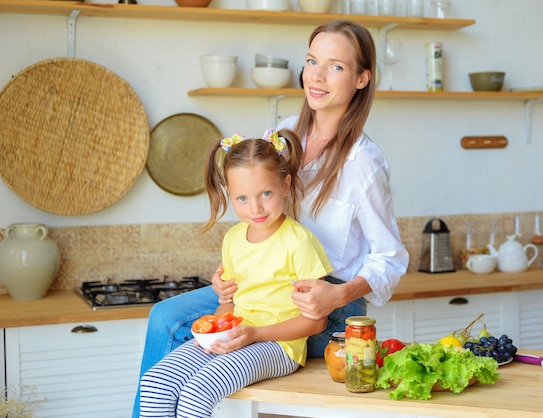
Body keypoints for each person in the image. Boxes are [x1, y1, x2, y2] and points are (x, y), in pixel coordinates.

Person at [132, 19, 408, 417]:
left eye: (336, 66)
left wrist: (337, 294)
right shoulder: (285, 133)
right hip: (263, 286)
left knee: (184, 347)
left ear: (362, 79)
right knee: (164, 316)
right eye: (312, 61)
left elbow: (391, 258)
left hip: (320, 306)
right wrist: (229, 275)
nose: (316, 76)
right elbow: (259, 216)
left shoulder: (363, 162)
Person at [139, 129, 333, 417]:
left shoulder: (299, 242)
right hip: (238, 335)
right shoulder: (232, 238)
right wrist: (216, 328)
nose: (255, 208)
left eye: (265, 194)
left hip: (278, 347)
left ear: (286, 184)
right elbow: (228, 304)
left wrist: (255, 334)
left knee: (197, 392)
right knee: (155, 384)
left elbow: (316, 322)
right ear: (230, 194)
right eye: (242, 198)